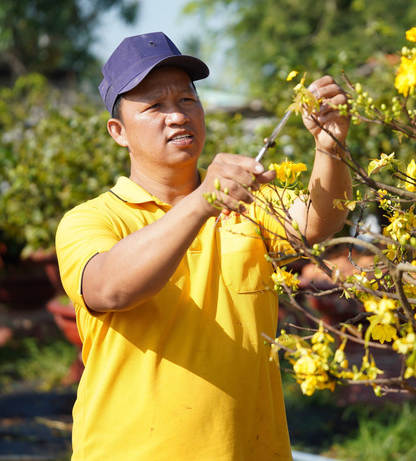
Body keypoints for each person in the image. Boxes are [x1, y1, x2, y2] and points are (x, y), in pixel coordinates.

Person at [55, 31, 352, 460]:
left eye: (186, 101)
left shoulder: (245, 201)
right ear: (118, 131)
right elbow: (109, 288)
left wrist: (331, 147)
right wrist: (202, 202)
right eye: (155, 106)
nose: (176, 116)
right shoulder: (92, 219)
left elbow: (316, 224)